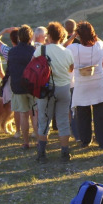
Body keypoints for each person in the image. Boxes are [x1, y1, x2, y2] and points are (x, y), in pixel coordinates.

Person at [33, 21, 75, 163]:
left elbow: (32, 65)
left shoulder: (41, 50)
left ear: (48, 36)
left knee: (44, 121)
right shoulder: (67, 52)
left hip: (46, 89)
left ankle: (42, 153)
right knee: (63, 120)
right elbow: (70, 69)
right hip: (63, 88)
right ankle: (64, 153)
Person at [67, 21, 103, 148]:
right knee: (101, 115)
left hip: (82, 83)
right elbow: (99, 41)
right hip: (98, 82)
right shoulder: (99, 46)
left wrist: (72, 36)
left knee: (83, 114)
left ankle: (85, 140)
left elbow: (63, 47)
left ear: (79, 35)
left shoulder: (74, 48)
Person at [6, 25, 36, 149]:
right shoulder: (34, 50)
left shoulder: (12, 51)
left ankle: (26, 142)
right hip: (32, 86)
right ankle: (39, 141)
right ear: (30, 37)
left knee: (23, 114)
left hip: (18, 86)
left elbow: (9, 68)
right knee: (35, 113)